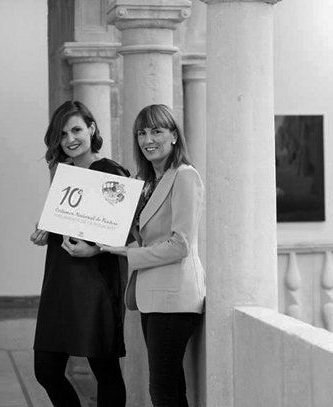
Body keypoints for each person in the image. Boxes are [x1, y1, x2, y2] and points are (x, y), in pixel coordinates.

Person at [99, 104, 206, 406]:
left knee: (162, 390)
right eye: (142, 133)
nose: (148, 140)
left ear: (174, 135)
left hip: (175, 297)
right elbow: (142, 235)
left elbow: (180, 245)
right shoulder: (147, 182)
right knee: (171, 388)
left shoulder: (184, 176)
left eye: (156, 131)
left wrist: (129, 254)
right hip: (153, 296)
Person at [29, 100, 127, 406]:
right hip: (58, 280)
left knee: (105, 370)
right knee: (46, 369)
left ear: (91, 129)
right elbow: (68, 222)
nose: (69, 139)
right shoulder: (64, 174)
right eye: (62, 134)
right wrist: (45, 230)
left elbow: (125, 233)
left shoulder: (112, 172)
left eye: (76, 130)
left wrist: (94, 249)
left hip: (95, 283)